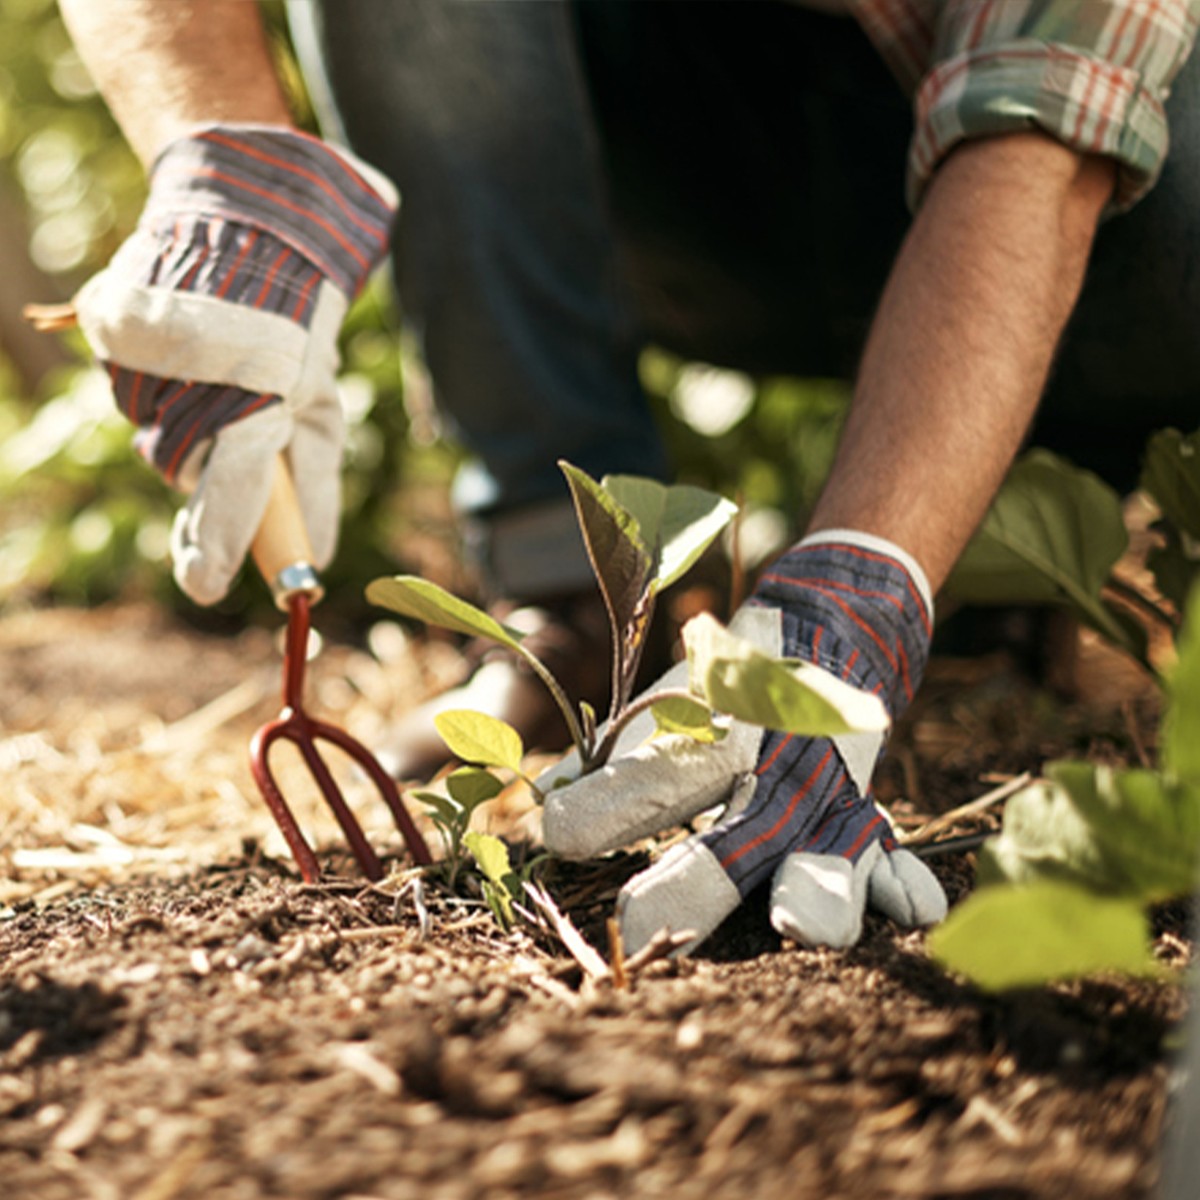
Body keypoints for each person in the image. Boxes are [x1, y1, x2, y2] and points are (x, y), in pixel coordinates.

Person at [56, 0, 1200, 955]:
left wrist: (863, 585)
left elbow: (1043, 145)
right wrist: (221, 149)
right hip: (676, 167)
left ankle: (1021, 542)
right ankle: (574, 595)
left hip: (1112, 197)